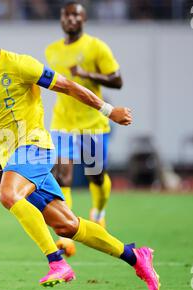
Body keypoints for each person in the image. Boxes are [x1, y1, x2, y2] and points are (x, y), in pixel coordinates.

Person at [0, 10, 159, 290]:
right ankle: (135, 257)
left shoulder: (20, 65)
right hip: (13, 159)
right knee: (67, 225)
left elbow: (67, 86)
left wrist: (109, 111)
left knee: (7, 194)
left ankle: (57, 263)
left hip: (34, 148)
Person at [45, 1, 123, 256]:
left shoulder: (96, 47)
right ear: (61, 19)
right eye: (66, 16)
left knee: (96, 176)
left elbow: (117, 80)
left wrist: (89, 74)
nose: (70, 20)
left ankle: (98, 212)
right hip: (63, 123)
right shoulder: (51, 51)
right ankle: (65, 235)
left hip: (92, 124)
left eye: (75, 15)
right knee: (61, 175)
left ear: (84, 19)